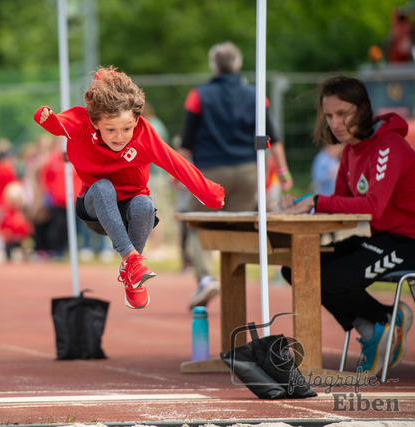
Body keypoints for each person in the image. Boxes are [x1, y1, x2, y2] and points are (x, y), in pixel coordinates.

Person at [34, 66, 225, 309]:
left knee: (145, 203)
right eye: (110, 129)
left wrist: (209, 193)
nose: (119, 137)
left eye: (126, 128)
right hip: (95, 206)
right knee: (104, 187)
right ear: (96, 123)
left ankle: (132, 275)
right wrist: (48, 118)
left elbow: (176, 163)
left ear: (136, 120)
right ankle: (131, 259)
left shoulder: (144, 135)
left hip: (131, 207)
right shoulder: (84, 124)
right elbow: (61, 125)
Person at [278, 75, 415, 376]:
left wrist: (316, 201)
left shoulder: (388, 146)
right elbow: (340, 204)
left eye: (343, 113)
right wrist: (298, 207)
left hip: (407, 243)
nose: (336, 123)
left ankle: (384, 320)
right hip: (379, 239)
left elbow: (372, 206)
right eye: (329, 116)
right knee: (297, 269)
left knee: (327, 279)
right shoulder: (351, 150)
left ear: (363, 109)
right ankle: (375, 324)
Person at [180, 41, 294, 309]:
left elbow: (186, 144)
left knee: (198, 224)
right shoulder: (256, 95)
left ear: (213, 65)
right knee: (234, 227)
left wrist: (178, 175)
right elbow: (273, 138)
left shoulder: (198, 96)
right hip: (247, 172)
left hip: (209, 172)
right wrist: (283, 171)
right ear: (238, 64)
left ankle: (206, 279)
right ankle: (234, 287)